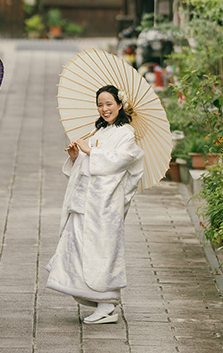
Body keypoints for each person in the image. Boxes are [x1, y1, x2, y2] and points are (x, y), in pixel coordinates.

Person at [46, 84, 144, 324]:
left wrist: (91, 152)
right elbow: (87, 165)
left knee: (102, 251)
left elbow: (121, 161)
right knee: (80, 247)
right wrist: (76, 158)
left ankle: (107, 304)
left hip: (105, 205)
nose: (104, 109)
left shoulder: (126, 133)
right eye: (100, 104)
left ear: (120, 105)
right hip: (86, 201)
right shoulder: (100, 131)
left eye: (109, 104)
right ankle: (98, 300)